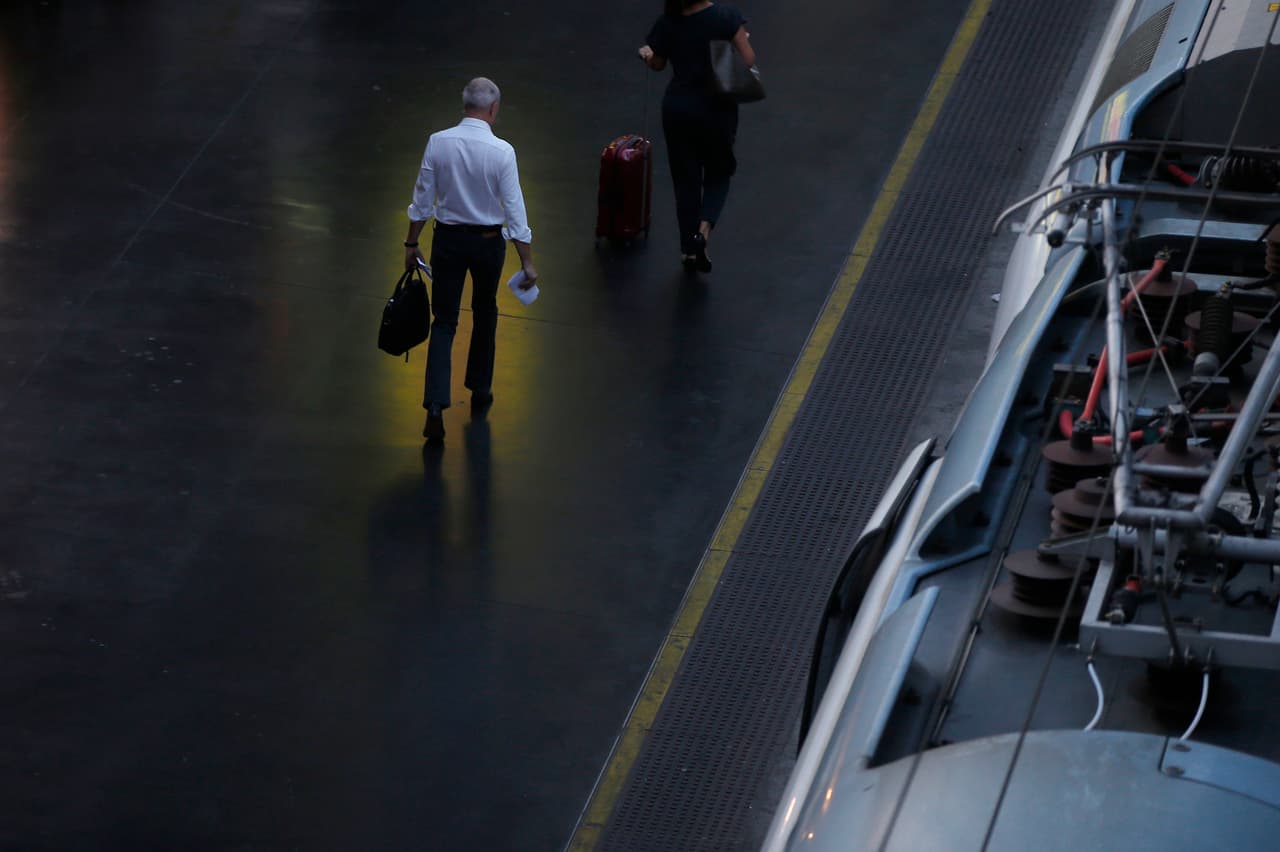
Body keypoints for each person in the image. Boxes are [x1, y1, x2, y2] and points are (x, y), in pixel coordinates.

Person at [404, 77, 538, 442]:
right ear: (493, 109)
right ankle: (480, 388)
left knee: (444, 320)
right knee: (485, 310)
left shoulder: (438, 142)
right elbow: (515, 212)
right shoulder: (502, 152)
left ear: (465, 105)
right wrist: (526, 261)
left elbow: (422, 200)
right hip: (488, 244)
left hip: (447, 241)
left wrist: (411, 244)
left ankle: (435, 404)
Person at [638, 0, 755, 273]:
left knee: (686, 180)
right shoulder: (726, 16)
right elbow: (748, 60)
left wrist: (647, 54)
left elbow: (658, 64)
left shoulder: (668, 21)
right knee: (719, 173)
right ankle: (702, 233)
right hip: (717, 108)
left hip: (678, 109)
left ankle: (688, 251)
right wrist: (734, 43)